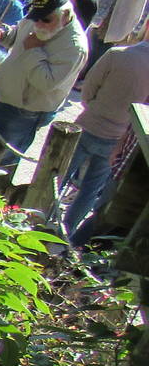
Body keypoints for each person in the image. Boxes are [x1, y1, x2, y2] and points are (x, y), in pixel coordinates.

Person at [0, 0, 89, 168]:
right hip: (3, 96)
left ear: (66, 14)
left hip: (25, 112)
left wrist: (33, 51)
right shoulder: (39, 19)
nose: (39, 24)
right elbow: (18, 34)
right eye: (36, 18)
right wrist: (2, 34)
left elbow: (46, 82)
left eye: (46, 20)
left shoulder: (75, 47)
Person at [62, 22, 149, 243]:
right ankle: (66, 235)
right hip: (117, 136)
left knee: (59, 176)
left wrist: (95, 106)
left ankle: (39, 221)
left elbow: (89, 86)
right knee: (90, 191)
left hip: (88, 124)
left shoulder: (116, 54)